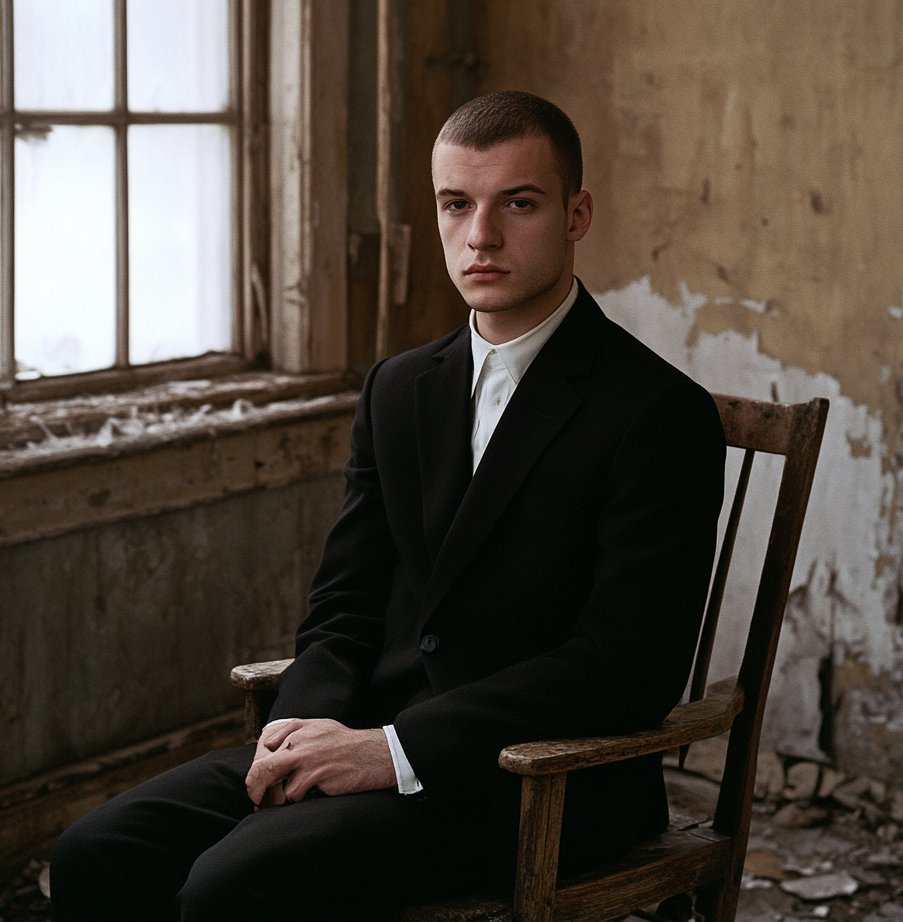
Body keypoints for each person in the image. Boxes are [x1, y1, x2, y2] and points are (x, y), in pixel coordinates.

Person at [50, 91, 725, 922]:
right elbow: (344, 604)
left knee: (231, 886)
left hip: (540, 780)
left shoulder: (657, 413)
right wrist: (298, 729)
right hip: (359, 737)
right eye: (456, 204)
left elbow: (626, 664)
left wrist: (395, 752)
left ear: (576, 213)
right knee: (95, 855)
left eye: (518, 202)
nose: (481, 235)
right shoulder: (399, 388)